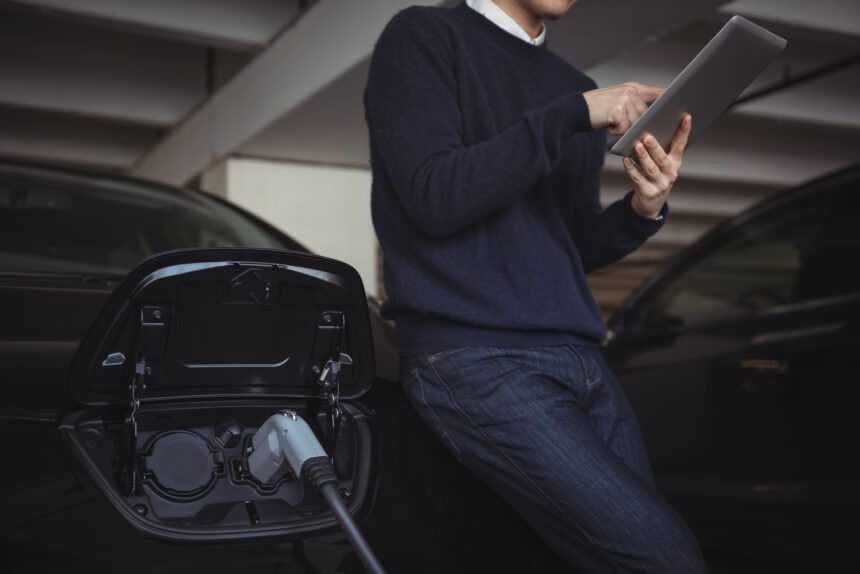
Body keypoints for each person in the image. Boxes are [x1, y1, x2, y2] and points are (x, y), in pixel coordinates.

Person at [363, 0, 708, 571]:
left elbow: (566, 244)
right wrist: (570, 115)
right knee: (665, 559)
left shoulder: (572, 84)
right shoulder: (423, 35)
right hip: (475, 359)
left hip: (580, 358)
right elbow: (433, 197)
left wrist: (643, 209)